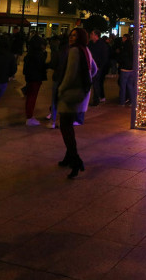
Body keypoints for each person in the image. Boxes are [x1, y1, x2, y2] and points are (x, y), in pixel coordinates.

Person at [56, 28, 97, 178]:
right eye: (71, 35)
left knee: (66, 128)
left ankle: (75, 161)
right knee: (68, 126)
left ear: (80, 37)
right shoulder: (86, 50)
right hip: (81, 94)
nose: (72, 38)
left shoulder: (74, 51)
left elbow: (70, 75)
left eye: (75, 35)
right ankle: (68, 158)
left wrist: (61, 89)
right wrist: (85, 80)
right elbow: (94, 69)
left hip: (70, 95)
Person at [23, 36, 48, 126]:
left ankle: (29, 116)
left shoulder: (30, 53)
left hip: (30, 78)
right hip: (35, 79)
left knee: (30, 98)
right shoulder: (38, 54)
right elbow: (41, 66)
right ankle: (29, 118)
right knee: (32, 98)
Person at [89, 29, 110, 106]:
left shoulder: (102, 45)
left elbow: (104, 57)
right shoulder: (90, 44)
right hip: (90, 67)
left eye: (92, 34)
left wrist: (99, 67)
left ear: (96, 35)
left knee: (96, 84)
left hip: (97, 68)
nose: (90, 35)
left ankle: (96, 100)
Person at [117, 34, 136, 106]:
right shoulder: (132, 47)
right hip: (131, 69)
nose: (122, 39)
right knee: (130, 85)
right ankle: (131, 101)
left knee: (123, 86)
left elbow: (122, 58)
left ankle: (122, 102)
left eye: (123, 37)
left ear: (125, 38)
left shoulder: (124, 47)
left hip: (124, 68)